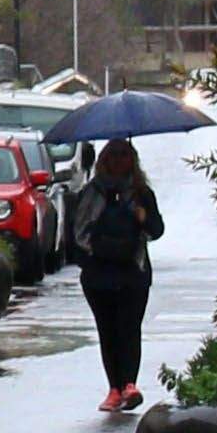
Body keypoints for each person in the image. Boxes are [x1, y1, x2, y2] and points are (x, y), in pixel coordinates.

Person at [69, 139, 166, 413]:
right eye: (113, 155)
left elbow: (157, 230)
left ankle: (129, 385)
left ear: (132, 160)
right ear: (104, 160)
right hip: (99, 274)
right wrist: (89, 259)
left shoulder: (141, 193)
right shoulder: (91, 193)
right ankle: (114, 388)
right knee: (108, 330)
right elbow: (76, 233)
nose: (119, 160)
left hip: (133, 271)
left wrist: (142, 216)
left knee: (130, 328)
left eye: (124, 155)